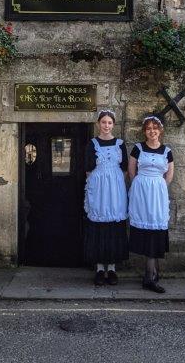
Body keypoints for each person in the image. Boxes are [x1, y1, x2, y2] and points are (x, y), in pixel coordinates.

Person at [128, 115, 174, 293]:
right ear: (144, 131)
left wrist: (158, 187)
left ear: (160, 130)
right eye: (148, 128)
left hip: (158, 194)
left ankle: (151, 274)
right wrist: (141, 187)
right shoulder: (138, 149)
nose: (152, 131)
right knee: (145, 230)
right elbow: (132, 172)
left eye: (155, 128)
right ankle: (150, 275)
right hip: (141, 193)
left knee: (156, 229)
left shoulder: (167, 151)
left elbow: (169, 174)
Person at [84, 109, 129, 286]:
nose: (106, 126)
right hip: (98, 188)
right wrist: (97, 185)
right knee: (98, 225)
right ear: (98, 124)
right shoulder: (92, 143)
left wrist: (115, 184)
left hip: (115, 189)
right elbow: (87, 168)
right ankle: (99, 269)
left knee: (114, 226)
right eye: (103, 122)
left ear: (113, 125)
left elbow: (125, 168)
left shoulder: (120, 144)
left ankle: (111, 268)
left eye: (110, 123)